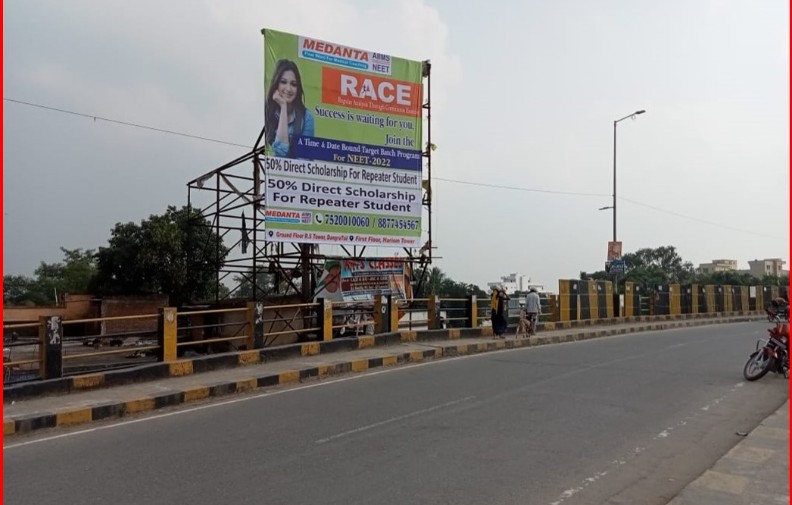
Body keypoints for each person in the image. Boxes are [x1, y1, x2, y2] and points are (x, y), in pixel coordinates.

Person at [265, 59, 315, 158]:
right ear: (276, 84)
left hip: (297, 172)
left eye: (293, 84)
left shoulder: (307, 117)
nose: (288, 89)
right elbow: (280, 153)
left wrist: (283, 106)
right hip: (273, 171)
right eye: (283, 82)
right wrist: (283, 107)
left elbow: (304, 157)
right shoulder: (267, 111)